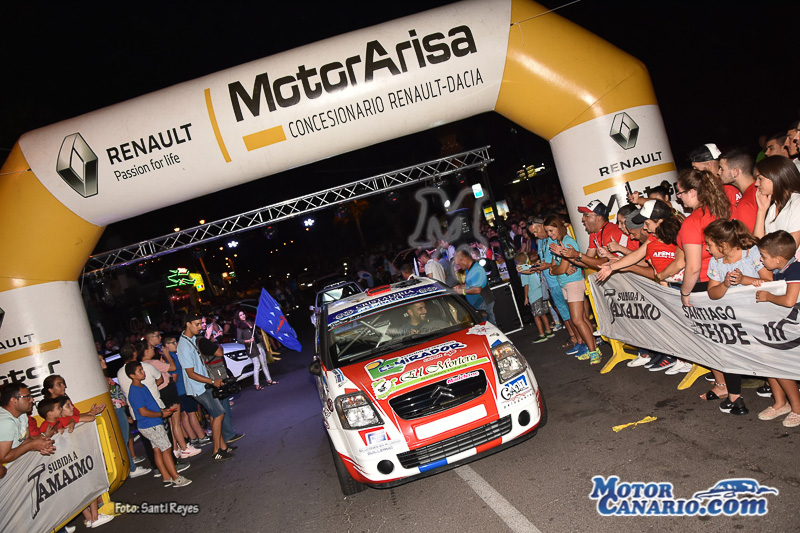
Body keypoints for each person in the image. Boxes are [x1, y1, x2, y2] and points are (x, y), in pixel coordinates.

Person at [703, 219, 772, 415]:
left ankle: (776, 388)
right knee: (729, 352)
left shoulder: (752, 254)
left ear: (723, 244)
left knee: (765, 353)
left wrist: (744, 280)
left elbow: (769, 281)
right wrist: (725, 284)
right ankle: (735, 397)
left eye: (709, 244)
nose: (707, 249)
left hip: (758, 315)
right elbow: (712, 293)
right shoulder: (716, 262)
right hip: (733, 319)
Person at [754, 231, 800, 427]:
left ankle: (797, 408)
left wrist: (768, 296)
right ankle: (781, 403)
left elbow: (789, 301)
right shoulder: (782, 270)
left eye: (764, 256)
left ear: (778, 259)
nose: (761, 260)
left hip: (794, 328)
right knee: (769, 360)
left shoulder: (795, 270)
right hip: (785, 326)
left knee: (781, 364)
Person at [177, 314, 237, 461]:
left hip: (204, 384)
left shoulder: (191, 339)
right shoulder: (183, 346)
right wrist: (212, 381)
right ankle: (216, 450)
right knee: (219, 413)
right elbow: (190, 373)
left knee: (215, 414)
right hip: (198, 387)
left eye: (201, 324)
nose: (200, 327)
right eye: (197, 324)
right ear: (188, 324)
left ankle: (223, 446)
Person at [544, 215, 602, 364]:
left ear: (558, 227)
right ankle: (593, 348)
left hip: (573, 283)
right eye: (547, 231)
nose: (549, 234)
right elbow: (554, 267)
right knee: (582, 318)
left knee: (577, 319)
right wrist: (556, 269)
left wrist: (556, 269)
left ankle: (593, 351)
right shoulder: (558, 243)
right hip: (565, 284)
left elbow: (559, 269)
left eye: (551, 230)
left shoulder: (567, 242)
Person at [124, 361, 192, 487]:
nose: (143, 372)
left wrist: (163, 411)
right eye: (139, 371)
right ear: (132, 375)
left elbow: (150, 406)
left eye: (142, 369)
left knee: (157, 449)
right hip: (151, 425)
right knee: (166, 449)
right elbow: (143, 412)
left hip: (151, 423)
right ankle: (176, 477)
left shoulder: (141, 386)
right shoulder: (135, 391)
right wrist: (161, 414)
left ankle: (166, 477)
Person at [137, 340, 200, 459]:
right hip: (167, 391)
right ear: (145, 351)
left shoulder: (143, 365)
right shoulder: (152, 363)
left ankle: (176, 448)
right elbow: (173, 367)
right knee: (176, 422)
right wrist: (167, 355)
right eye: (150, 347)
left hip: (161, 393)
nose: (153, 349)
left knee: (171, 423)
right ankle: (184, 448)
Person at [163, 333, 210, 449]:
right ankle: (200, 436)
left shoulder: (172, 356)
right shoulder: (169, 358)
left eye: (176, 342)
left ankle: (194, 437)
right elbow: (174, 375)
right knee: (190, 413)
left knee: (186, 414)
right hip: (181, 389)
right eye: (173, 343)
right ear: (166, 345)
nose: (176, 344)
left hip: (180, 390)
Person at [753, 155, 800, 260]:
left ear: (775, 176)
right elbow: (758, 243)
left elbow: (789, 250)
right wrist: (761, 211)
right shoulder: (774, 206)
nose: (756, 184)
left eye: (760, 178)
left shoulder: (797, 203)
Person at [0, 383, 55, 465]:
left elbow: (26, 440)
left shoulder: (22, 414)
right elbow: (3, 457)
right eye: (27, 397)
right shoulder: (5, 422)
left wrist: (42, 445)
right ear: (14, 400)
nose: (32, 400)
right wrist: (32, 445)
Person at [235, 309, 278, 390]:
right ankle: (257, 385)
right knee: (257, 365)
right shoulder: (240, 328)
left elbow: (255, 333)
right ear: (238, 317)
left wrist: (260, 337)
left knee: (264, 363)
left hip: (259, 345)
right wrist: (248, 340)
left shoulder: (249, 322)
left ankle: (269, 380)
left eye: (243, 314)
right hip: (252, 348)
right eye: (240, 315)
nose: (243, 316)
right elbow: (239, 340)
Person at [516, 251, 554, 343]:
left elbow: (526, 285)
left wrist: (526, 297)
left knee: (536, 315)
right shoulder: (531, 267)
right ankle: (548, 330)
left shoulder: (523, 271)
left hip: (533, 295)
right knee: (543, 314)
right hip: (541, 292)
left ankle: (542, 334)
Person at [453, 248, 496, 325]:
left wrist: (462, 291)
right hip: (479, 304)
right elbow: (470, 284)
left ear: (464, 260)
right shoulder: (469, 269)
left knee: (489, 326)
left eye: (459, 264)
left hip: (483, 302)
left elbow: (477, 290)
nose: (458, 266)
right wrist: (460, 286)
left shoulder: (476, 270)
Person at [718, 148, 758, 232]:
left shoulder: (746, 204)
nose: (718, 172)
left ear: (735, 172)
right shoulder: (757, 190)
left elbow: (748, 237)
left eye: (722, 169)